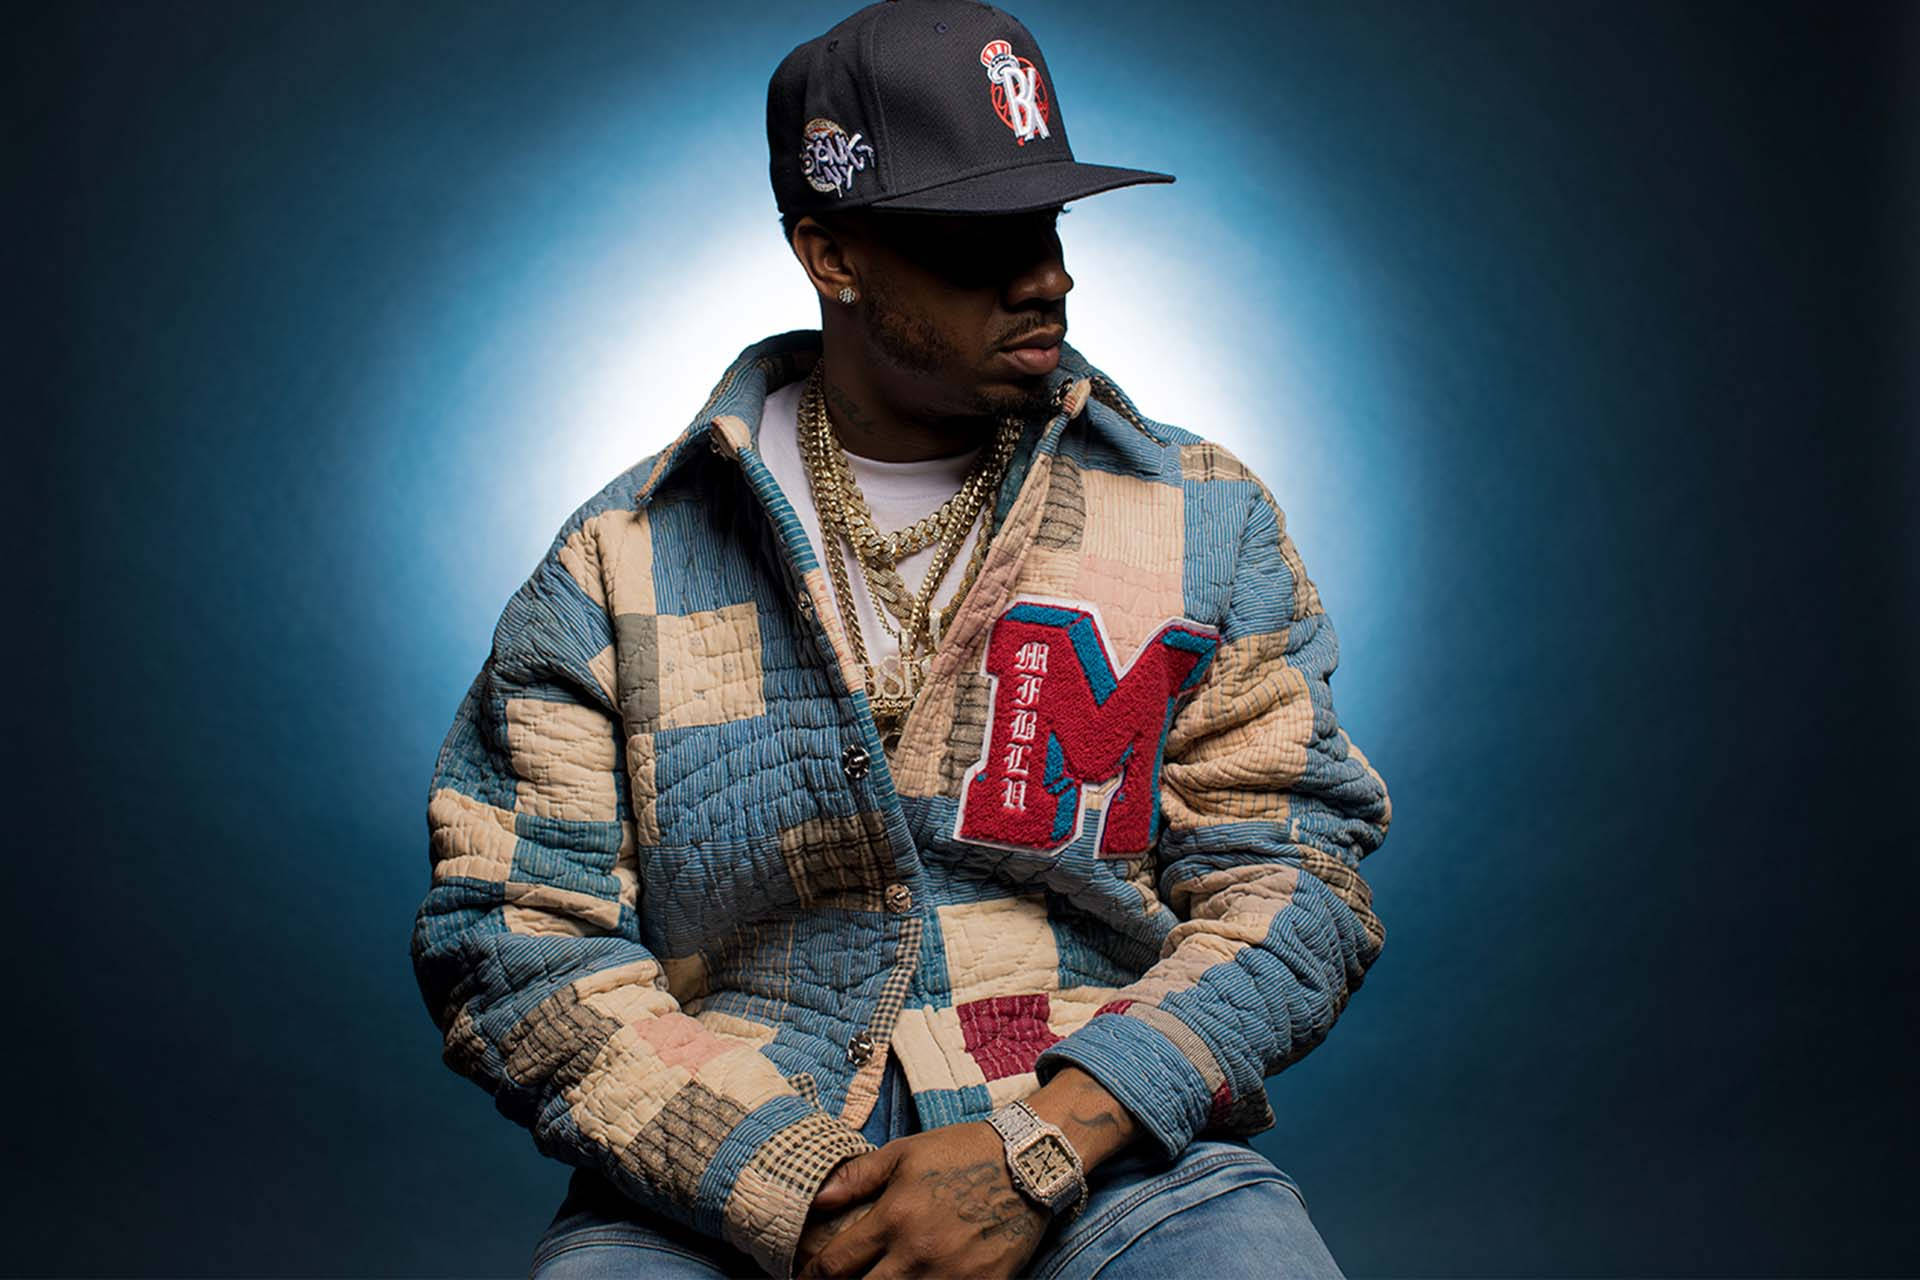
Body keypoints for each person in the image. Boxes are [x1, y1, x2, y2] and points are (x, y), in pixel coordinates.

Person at [408, 2, 1393, 1276]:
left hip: (1111, 1146)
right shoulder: (623, 558)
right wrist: (803, 1190)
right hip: (721, 1175)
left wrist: (1047, 1142)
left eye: (1050, 222)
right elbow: (512, 933)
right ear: (833, 255)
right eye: (982, 236)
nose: (1047, 277)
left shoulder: (1202, 517)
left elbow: (1295, 879)